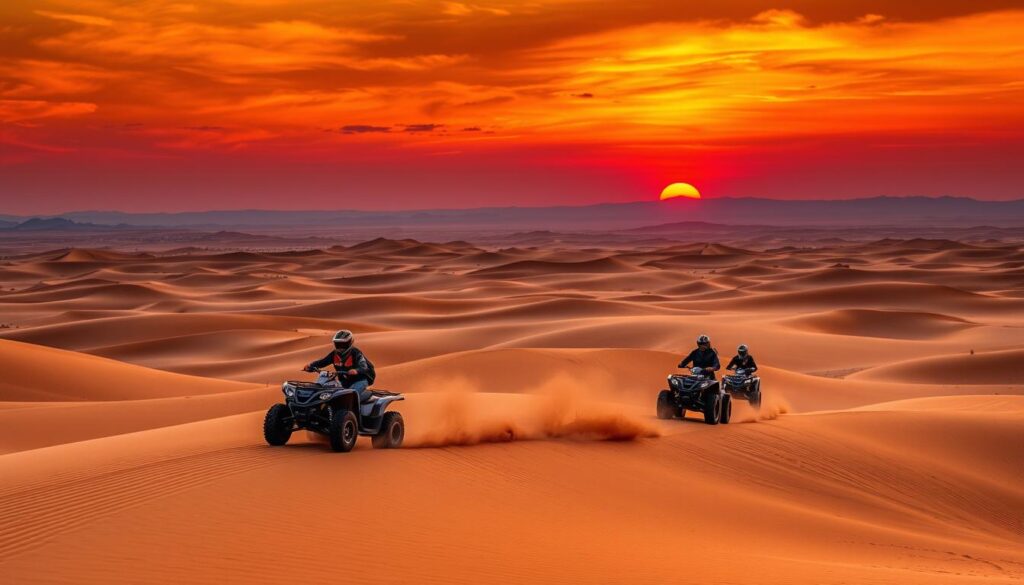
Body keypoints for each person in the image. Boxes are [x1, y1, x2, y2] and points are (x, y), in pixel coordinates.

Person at [304, 330, 376, 402]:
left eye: (343, 345)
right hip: (344, 381)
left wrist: (356, 371)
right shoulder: (334, 354)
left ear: (350, 343)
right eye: (338, 344)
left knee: (350, 396)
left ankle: (356, 411)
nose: (340, 347)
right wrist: (311, 365)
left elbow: (363, 366)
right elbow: (322, 362)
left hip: (360, 380)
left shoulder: (356, 353)